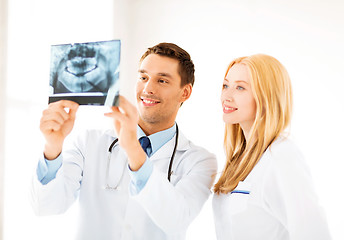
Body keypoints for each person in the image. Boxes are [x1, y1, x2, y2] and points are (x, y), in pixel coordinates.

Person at [31, 42, 217, 240]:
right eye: (143, 77)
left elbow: (176, 220)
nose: (147, 88)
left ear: (185, 92)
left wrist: (134, 151)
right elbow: (45, 206)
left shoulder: (201, 161)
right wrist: (52, 146)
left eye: (162, 81)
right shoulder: (89, 142)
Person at [212, 54, 331, 240]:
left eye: (240, 87)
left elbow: (314, 232)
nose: (226, 96)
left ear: (266, 96)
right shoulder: (240, 158)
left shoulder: (282, 155)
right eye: (225, 85)